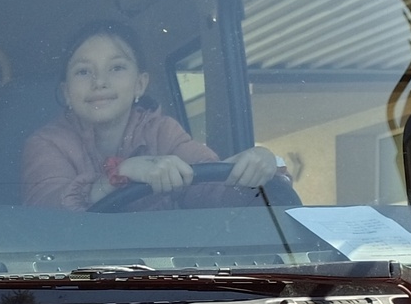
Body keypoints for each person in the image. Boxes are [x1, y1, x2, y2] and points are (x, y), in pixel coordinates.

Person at [21, 22, 281, 210]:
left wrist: (256, 168)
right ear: (66, 92)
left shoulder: (163, 132)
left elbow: (211, 190)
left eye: (117, 68)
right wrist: (120, 175)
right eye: (83, 71)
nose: (99, 82)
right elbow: (46, 211)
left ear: (140, 84)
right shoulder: (47, 143)